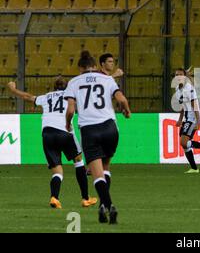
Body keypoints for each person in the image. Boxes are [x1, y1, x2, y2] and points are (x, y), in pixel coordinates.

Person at [7, 78, 97, 209]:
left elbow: (27, 97)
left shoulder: (46, 97)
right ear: (67, 87)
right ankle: (85, 198)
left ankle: (54, 197)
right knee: (78, 162)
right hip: (65, 132)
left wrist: (13, 89)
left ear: (54, 87)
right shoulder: (71, 95)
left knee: (57, 171)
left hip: (48, 134)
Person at [65, 51, 131, 224]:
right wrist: (127, 110)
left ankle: (109, 205)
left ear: (80, 68)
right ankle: (102, 205)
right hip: (110, 128)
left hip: (89, 130)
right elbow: (121, 99)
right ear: (95, 66)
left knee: (96, 174)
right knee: (106, 166)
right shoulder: (107, 79)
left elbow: (71, 110)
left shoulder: (73, 82)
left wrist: (67, 124)